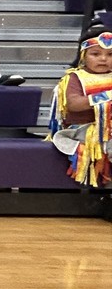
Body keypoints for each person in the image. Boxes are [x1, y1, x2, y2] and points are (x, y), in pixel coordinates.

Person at [47, 25, 112, 186]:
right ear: (83, 55)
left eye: (110, 54)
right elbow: (74, 104)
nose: (103, 59)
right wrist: (106, 97)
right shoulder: (75, 78)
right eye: (96, 54)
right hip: (84, 130)